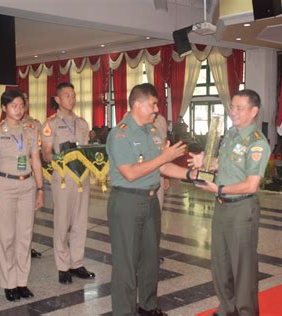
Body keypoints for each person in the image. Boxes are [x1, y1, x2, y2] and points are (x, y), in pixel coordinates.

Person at [106, 83, 196, 316]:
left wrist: (189, 174)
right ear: (138, 104)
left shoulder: (153, 132)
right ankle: (124, 312)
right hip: (127, 201)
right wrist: (164, 157)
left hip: (150, 200)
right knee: (126, 263)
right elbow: (131, 172)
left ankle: (148, 306)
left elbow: (163, 165)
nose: (157, 109)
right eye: (153, 104)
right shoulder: (120, 134)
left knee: (150, 258)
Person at [189, 89, 270, 316]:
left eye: (239, 108)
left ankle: (245, 312)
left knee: (243, 268)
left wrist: (220, 188)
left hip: (242, 209)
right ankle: (227, 308)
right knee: (220, 263)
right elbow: (224, 164)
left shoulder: (257, 143)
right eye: (232, 106)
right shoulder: (232, 134)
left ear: (254, 111)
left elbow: (251, 184)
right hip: (222, 207)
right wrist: (206, 162)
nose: (233, 111)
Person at [0, 89, 44, 301]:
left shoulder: (31, 130)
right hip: (4, 186)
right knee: (7, 237)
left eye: (21, 106)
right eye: (13, 106)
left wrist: (40, 189)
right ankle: (9, 283)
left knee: (25, 237)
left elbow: (36, 161)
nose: (18, 110)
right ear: (4, 108)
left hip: (27, 185)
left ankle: (21, 282)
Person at [41, 82, 95, 284]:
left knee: (81, 221)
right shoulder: (51, 124)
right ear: (57, 99)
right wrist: (58, 157)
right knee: (62, 222)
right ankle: (63, 266)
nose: (71, 99)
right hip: (63, 178)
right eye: (66, 95)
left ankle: (77, 263)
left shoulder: (82, 123)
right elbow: (46, 154)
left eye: (73, 95)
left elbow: (87, 150)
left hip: (82, 178)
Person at [21, 92, 42, 259]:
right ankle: (17, 247)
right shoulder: (3, 126)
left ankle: (28, 246)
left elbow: (38, 152)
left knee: (29, 215)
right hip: (12, 174)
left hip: (30, 172)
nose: (23, 104)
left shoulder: (35, 124)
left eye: (26, 100)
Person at [153, 113, 171, 209]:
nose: (156, 109)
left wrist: (166, 176)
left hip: (159, 170)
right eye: (153, 104)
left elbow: (164, 150)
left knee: (158, 206)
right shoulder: (128, 119)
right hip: (140, 175)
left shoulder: (160, 120)